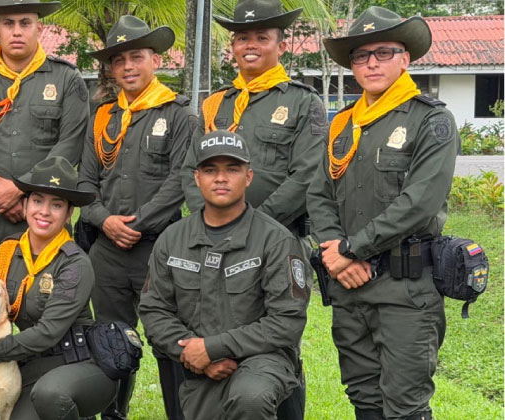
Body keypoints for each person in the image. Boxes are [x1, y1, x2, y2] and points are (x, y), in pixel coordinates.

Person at [180, 0, 327, 417]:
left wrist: (251, 227)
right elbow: (193, 168)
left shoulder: (303, 103)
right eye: (242, 37)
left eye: (262, 37)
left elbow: (306, 175)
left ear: (280, 44)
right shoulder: (215, 105)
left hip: (276, 243)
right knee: (218, 334)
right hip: (214, 244)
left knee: (279, 345)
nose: (250, 45)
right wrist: (207, 223)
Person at [310, 8, 456, 420]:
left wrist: (352, 249)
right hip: (349, 286)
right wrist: (337, 256)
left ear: (405, 58)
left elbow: (419, 202)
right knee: (364, 399)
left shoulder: (431, 120)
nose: (371, 63)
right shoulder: (341, 123)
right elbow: (319, 194)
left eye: (384, 52)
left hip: (404, 289)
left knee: (405, 406)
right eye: (360, 55)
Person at [140, 130, 309, 420]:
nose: (220, 178)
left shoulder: (276, 240)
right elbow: (154, 310)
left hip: (263, 359)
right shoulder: (173, 239)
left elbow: (286, 322)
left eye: (232, 169)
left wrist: (213, 347)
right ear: (196, 178)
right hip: (195, 360)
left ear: (249, 177)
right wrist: (194, 353)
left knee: (249, 398)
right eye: (210, 170)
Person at [76, 15, 197, 420]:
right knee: (110, 340)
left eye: (137, 57)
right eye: (120, 60)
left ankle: (180, 413)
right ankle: (114, 413)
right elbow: (85, 181)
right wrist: (104, 219)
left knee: (169, 339)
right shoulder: (103, 117)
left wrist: (138, 223)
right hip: (106, 250)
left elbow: (182, 180)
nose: (128, 66)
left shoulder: (180, 115)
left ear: (155, 59)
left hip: (159, 248)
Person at [0, 156, 117, 419]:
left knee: (50, 395)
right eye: (38, 200)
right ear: (25, 204)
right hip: (32, 361)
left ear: (68, 214)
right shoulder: (9, 250)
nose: (44, 211)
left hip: (78, 360)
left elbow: (48, 333)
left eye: (57, 205)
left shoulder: (75, 263)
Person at [0, 0, 88, 275]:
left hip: (44, 211)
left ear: (40, 27)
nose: (16, 31)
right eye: (8, 23)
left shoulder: (66, 78)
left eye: (25, 23)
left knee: (49, 294)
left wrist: (21, 189)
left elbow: (70, 144)